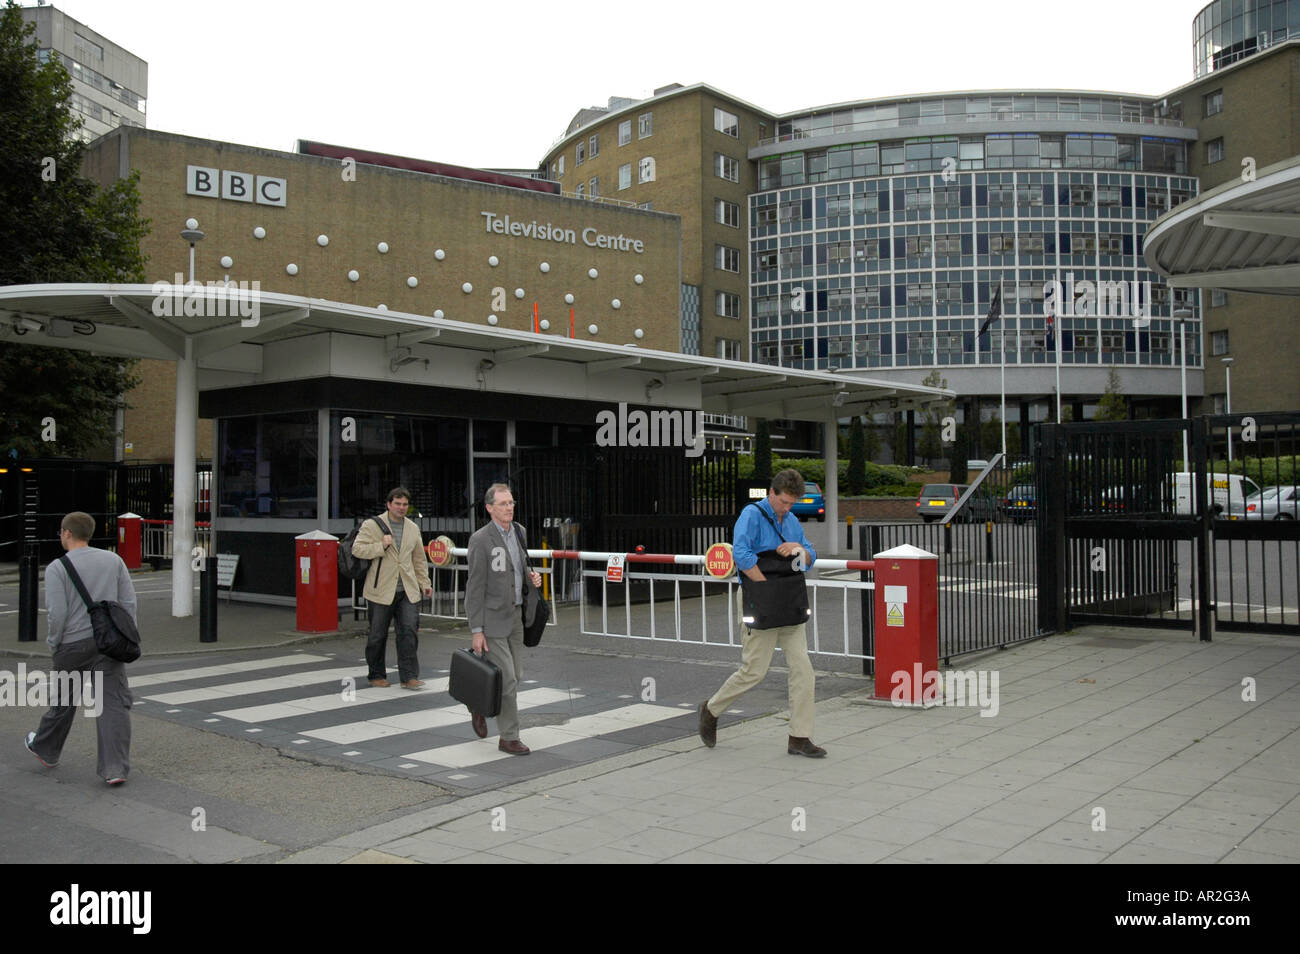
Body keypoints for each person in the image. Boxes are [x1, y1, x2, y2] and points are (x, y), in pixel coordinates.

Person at [699, 469, 826, 757]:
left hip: (789, 601)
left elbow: (810, 556)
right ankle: (711, 709)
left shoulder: (792, 521)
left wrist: (799, 549)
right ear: (772, 493)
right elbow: (741, 555)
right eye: (783, 502)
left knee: (803, 670)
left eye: (792, 503)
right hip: (761, 598)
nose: (787, 508)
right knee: (754, 671)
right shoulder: (751, 515)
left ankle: (799, 737)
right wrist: (764, 587)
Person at [24, 512, 137, 786]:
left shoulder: (57, 567)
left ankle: (46, 749)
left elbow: (57, 614)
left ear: (66, 533)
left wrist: (54, 642)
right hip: (108, 644)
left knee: (63, 702)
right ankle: (114, 769)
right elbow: (129, 603)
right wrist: (127, 635)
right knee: (112, 704)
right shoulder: (114, 561)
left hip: (72, 645)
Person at [465, 483, 542, 755]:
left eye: (511, 503)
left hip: (516, 616)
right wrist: (476, 629)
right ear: (489, 508)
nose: (509, 508)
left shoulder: (520, 532)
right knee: (507, 679)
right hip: (492, 619)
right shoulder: (480, 539)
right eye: (503, 504)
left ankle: (479, 702)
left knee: (515, 675)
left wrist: (534, 579)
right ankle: (509, 737)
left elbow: (519, 569)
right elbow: (473, 588)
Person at [352, 487, 433, 689]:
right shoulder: (372, 525)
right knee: (377, 635)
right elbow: (357, 549)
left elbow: (419, 559)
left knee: (408, 632)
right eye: (397, 504)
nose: (401, 508)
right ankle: (376, 674)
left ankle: (409, 676)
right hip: (381, 589)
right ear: (388, 504)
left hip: (407, 588)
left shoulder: (413, 528)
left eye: (405, 504)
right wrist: (381, 545)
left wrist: (425, 582)